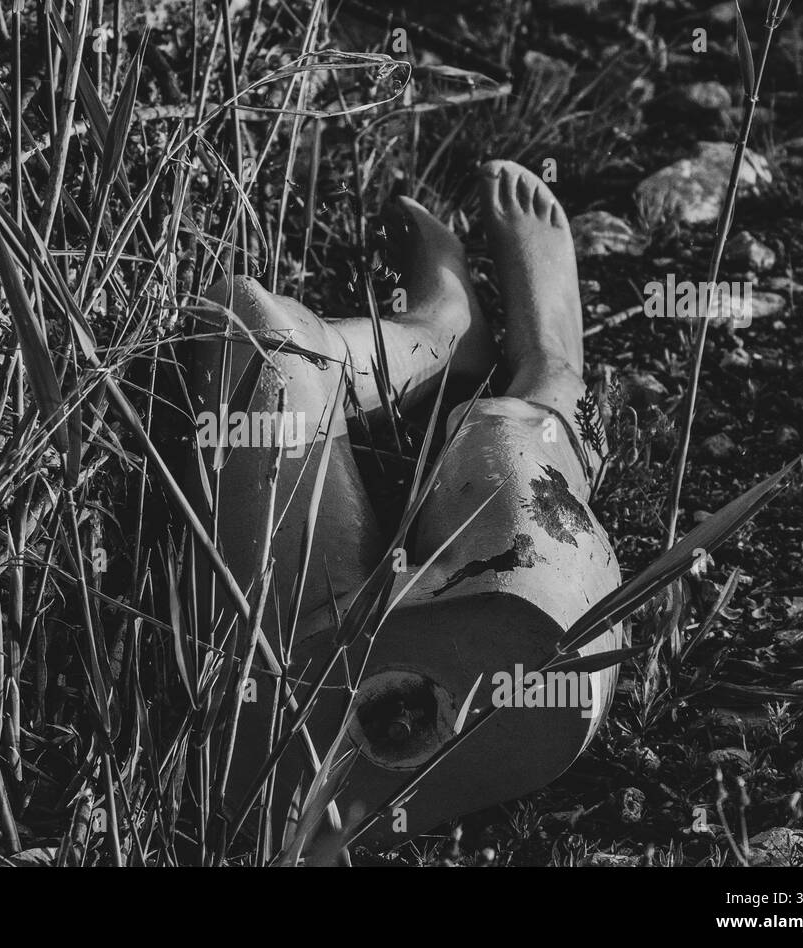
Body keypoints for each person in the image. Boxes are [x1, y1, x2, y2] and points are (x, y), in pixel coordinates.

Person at [188, 160, 624, 845]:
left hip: (295, 674)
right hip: (477, 641)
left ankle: (462, 343)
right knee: (502, 440)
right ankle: (522, 367)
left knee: (243, 326)